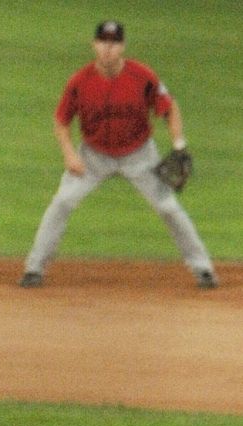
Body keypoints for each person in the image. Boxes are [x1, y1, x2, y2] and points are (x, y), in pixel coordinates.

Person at [21, 21, 215, 290]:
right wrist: (69, 154)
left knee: (168, 207)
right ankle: (34, 268)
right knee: (63, 201)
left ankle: (203, 269)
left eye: (113, 43)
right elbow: (61, 121)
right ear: (94, 45)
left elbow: (169, 109)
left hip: (140, 155)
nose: (108, 49)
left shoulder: (142, 76)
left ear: (122, 46)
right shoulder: (80, 81)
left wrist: (179, 144)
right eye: (103, 42)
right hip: (93, 156)